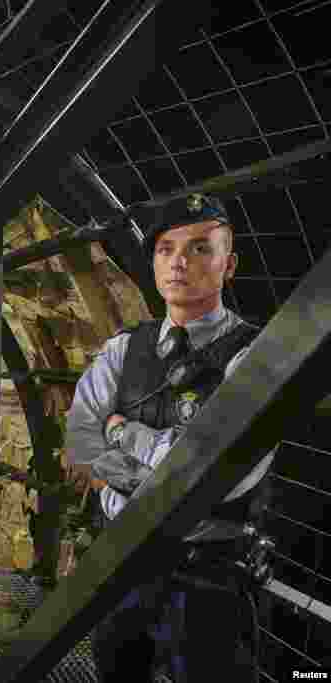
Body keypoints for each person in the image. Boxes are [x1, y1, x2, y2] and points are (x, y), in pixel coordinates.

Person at [65, 193, 275, 682]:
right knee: (117, 669)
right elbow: (81, 441)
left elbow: (221, 470)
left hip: (209, 578)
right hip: (123, 568)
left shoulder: (256, 356)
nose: (179, 261)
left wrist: (125, 432)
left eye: (201, 248)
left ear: (230, 264)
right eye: (165, 248)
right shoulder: (123, 350)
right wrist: (159, 472)